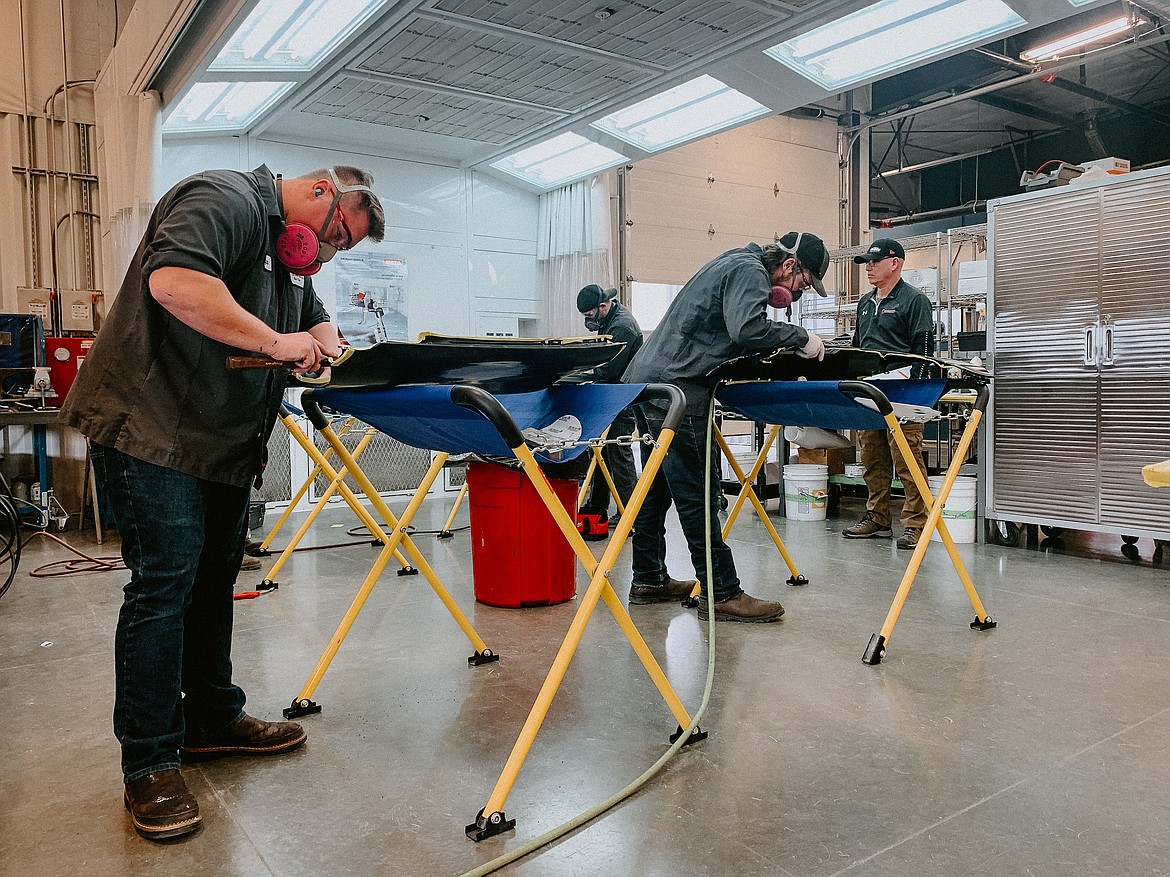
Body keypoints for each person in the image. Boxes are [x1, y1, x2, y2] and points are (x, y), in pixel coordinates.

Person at [59, 164, 385, 840]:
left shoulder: (290, 257)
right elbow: (175, 282)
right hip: (154, 429)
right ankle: (149, 761)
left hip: (219, 442)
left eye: (343, 250)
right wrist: (275, 341)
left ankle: (210, 718)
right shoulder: (226, 198)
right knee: (164, 587)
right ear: (322, 193)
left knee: (211, 583)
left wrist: (324, 339)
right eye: (336, 237)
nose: (328, 254)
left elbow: (311, 317)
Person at [622, 232, 829, 622]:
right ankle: (722, 591)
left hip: (651, 384)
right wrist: (800, 337)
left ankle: (648, 578)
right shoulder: (750, 271)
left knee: (655, 491)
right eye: (803, 282)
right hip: (678, 391)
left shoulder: (733, 261)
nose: (799, 292)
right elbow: (748, 331)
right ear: (789, 266)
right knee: (696, 494)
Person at [842, 238, 934, 549]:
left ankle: (917, 524)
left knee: (906, 459)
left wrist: (917, 395)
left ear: (895, 263)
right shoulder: (865, 303)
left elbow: (924, 353)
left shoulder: (914, 300)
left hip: (903, 391)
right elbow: (858, 346)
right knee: (872, 458)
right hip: (870, 390)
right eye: (866, 262)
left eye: (874, 261)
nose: (868, 267)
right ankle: (877, 518)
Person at [576, 284, 643, 531]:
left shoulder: (622, 326)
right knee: (600, 452)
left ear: (603, 306)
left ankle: (633, 516)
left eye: (590, 316)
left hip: (622, 396)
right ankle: (597, 509)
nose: (588, 322)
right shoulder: (608, 319)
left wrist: (582, 373)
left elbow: (609, 369)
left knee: (618, 451)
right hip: (610, 395)